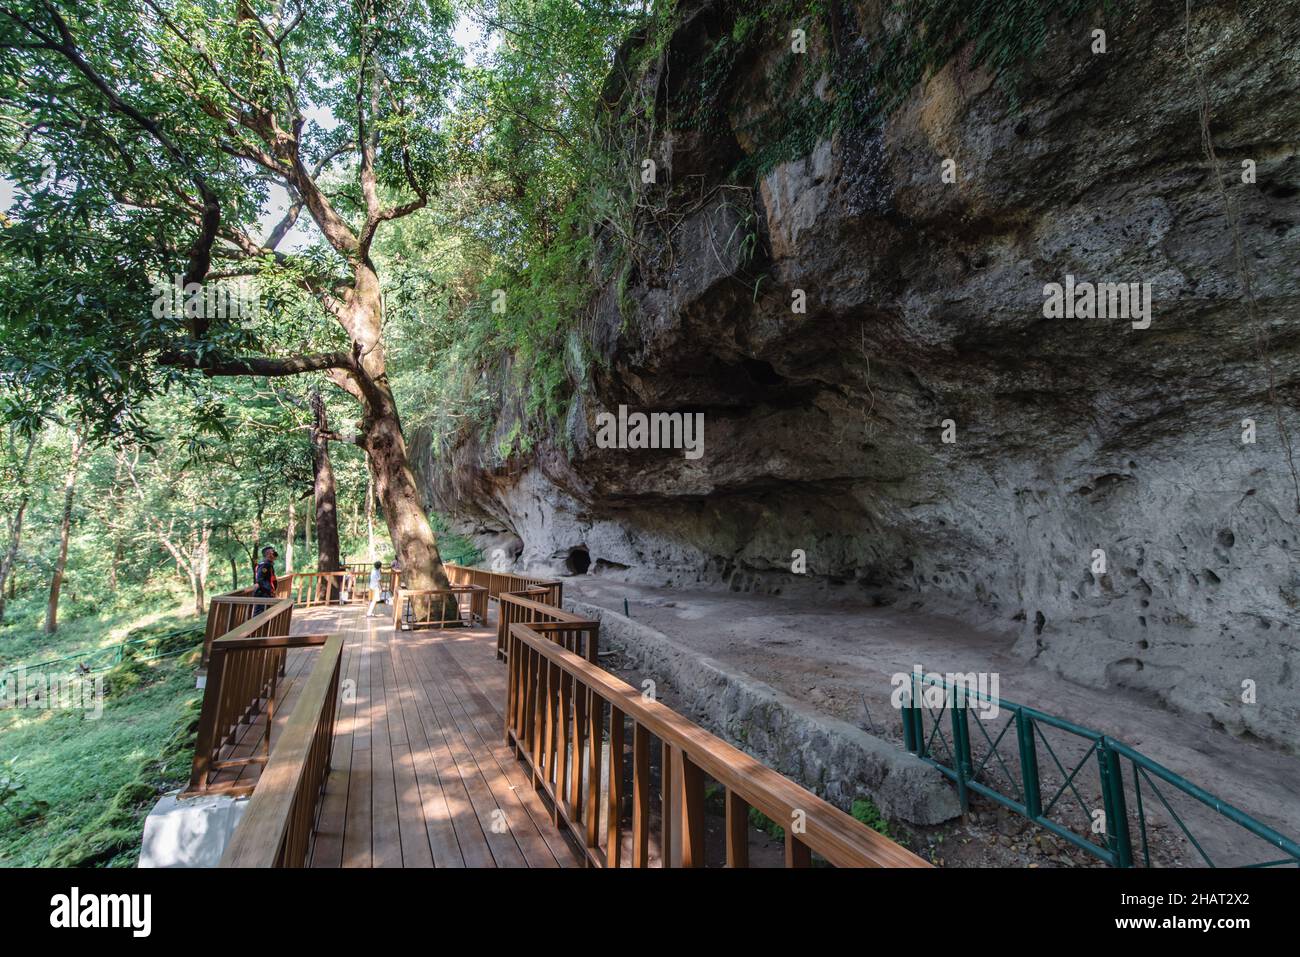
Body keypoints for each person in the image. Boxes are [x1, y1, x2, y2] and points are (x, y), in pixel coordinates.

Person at [253, 546, 278, 615]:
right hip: (262, 594)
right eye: (271, 553)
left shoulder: (268, 565)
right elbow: (260, 580)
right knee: (260, 614)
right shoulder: (265, 565)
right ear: (267, 555)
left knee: (265, 614)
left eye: (273, 552)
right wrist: (270, 591)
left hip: (265, 593)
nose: (273, 554)